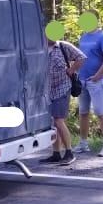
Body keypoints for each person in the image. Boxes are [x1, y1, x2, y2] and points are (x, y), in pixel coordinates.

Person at [73, 9, 103, 157]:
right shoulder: (83, 37)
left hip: (97, 81)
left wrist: (98, 76)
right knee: (83, 112)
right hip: (82, 80)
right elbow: (81, 57)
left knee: (100, 112)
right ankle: (83, 143)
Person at [41, 37, 86, 165]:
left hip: (63, 87)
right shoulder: (40, 48)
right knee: (53, 123)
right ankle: (56, 154)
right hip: (48, 90)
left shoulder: (63, 46)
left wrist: (71, 70)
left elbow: (81, 57)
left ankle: (69, 153)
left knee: (59, 120)